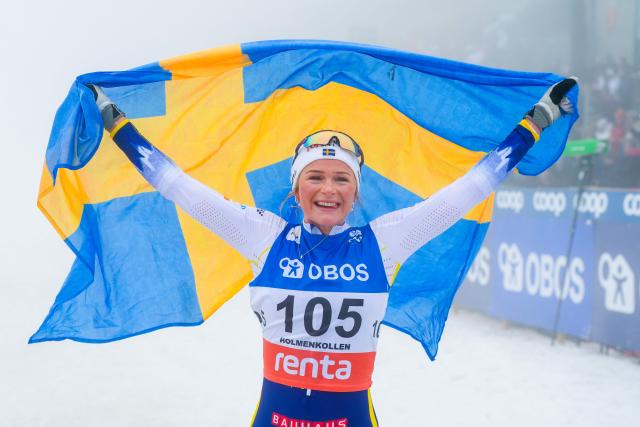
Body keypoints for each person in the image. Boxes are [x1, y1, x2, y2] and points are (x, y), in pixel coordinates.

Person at [89, 77, 576, 427]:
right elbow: (182, 189)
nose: (328, 188)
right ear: (296, 188)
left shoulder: (383, 243)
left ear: (356, 191)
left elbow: (468, 190)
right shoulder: (266, 237)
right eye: (315, 177)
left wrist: (533, 124)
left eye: (341, 178)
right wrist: (118, 125)